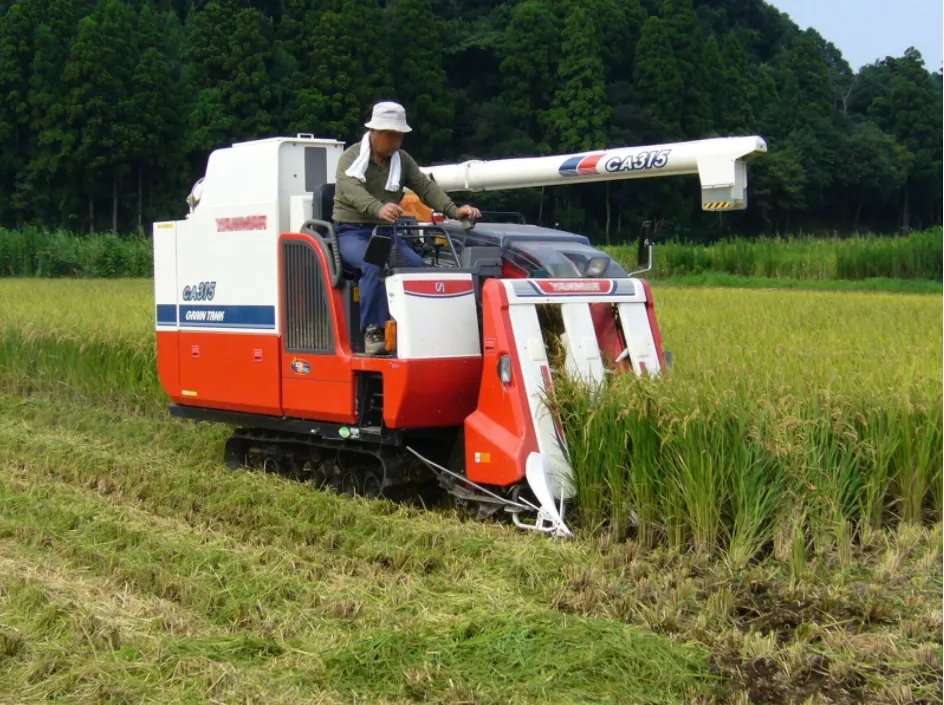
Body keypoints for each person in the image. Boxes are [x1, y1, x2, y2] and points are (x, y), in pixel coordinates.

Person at [333, 101, 481, 355]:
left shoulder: (402, 160)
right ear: (375, 132)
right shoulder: (351, 158)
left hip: (386, 233)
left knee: (418, 268)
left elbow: (425, 188)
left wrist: (455, 210)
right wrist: (378, 208)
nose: (397, 142)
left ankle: (423, 329)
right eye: (392, 136)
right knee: (374, 261)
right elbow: (353, 192)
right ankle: (373, 330)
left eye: (400, 136)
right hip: (352, 232)